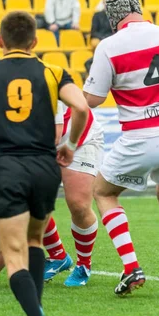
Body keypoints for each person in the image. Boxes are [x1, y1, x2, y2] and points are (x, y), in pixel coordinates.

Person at [0, 11, 89, 316]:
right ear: (35, 41)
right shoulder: (53, 71)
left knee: (14, 255)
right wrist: (69, 146)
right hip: (45, 166)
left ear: (0, 41)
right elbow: (81, 108)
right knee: (35, 242)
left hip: (7, 167)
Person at [83, 0, 159, 297]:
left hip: (140, 137)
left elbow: (94, 99)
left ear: (113, 17)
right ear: (138, 8)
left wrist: (66, 95)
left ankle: (131, 267)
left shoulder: (109, 47)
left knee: (103, 191)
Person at [39, 102, 103, 286]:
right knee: (31, 200)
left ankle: (84, 265)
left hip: (81, 137)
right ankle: (58, 256)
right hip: (40, 142)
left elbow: (55, 134)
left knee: (79, 204)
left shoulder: (47, 78)